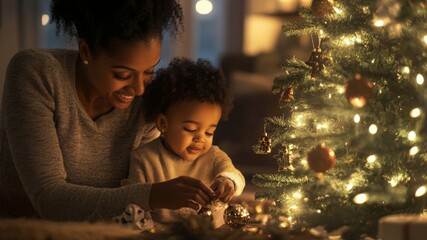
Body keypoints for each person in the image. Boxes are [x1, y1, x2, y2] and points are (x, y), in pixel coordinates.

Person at [0, 0, 217, 221]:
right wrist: (153, 195)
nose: (139, 89)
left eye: (149, 71)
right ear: (86, 51)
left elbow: (143, 199)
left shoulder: (148, 102)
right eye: (122, 75)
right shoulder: (38, 73)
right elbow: (48, 199)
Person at [118, 57, 245, 229]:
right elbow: (132, 201)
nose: (200, 138)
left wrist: (228, 182)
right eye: (191, 129)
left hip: (208, 233)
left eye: (209, 132)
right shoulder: (144, 158)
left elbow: (235, 175)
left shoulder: (214, 156)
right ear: (163, 124)